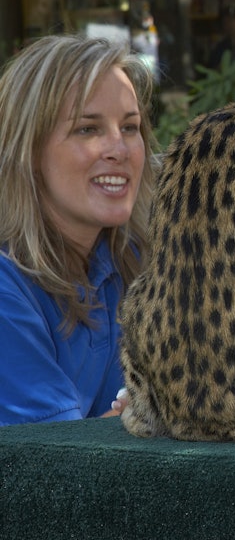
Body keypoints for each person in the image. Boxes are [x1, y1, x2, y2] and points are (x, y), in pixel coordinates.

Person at [0, 35, 157, 425]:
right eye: (88, 129)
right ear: (29, 150)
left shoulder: (137, 257)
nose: (120, 149)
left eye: (130, 127)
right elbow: (53, 456)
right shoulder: (6, 287)